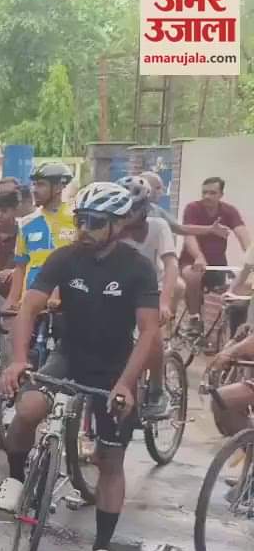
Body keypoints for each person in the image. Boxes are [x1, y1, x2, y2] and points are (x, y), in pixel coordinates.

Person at [0, 182, 160, 551]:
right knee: (29, 407)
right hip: (69, 355)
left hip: (114, 368)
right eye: (80, 220)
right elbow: (29, 307)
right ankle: (16, 476)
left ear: (118, 225)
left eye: (95, 222)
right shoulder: (66, 257)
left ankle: (102, 548)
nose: (84, 228)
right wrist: (18, 361)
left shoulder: (138, 267)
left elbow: (149, 330)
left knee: (111, 460)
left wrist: (127, 384)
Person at [117, 175, 179, 419]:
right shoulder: (116, 230)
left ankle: (156, 390)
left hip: (154, 287)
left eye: (132, 209)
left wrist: (164, 301)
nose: (127, 215)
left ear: (144, 209)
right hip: (124, 288)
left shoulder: (158, 227)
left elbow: (171, 265)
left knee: (152, 333)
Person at [179, 177, 250, 335]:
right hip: (191, 260)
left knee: (239, 288)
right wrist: (198, 256)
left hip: (218, 263)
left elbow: (242, 234)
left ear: (221, 194)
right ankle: (194, 319)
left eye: (212, 193)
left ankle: (230, 334)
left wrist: (250, 257)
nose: (207, 196)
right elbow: (189, 234)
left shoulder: (229, 211)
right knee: (193, 276)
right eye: (204, 192)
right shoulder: (192, 208)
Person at [8, 163, 77, 311]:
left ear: (58, 187)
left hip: (68, 301)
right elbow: (20, 266)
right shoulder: (26, 223)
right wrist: (12, 301)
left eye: (41, 185)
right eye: (33, 184)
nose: (34, 190)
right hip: (31, 303)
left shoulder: (76, 219)